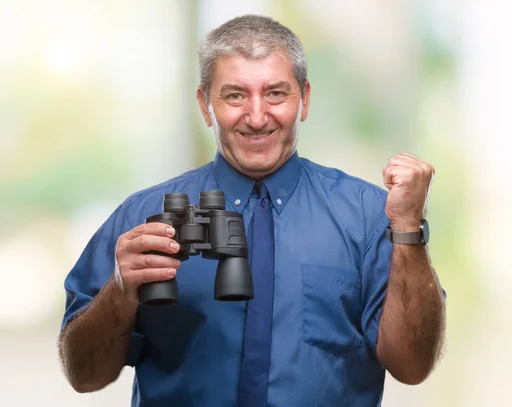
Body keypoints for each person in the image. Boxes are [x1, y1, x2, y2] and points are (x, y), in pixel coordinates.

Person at [58, 14, 446, 407]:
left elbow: (412, 367)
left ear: (305, 100)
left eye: (276, 93)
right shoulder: (142, 218)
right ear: (205, 104)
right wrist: (120, 292)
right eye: (235, 95)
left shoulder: (367, 216)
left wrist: (409, 228)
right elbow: (84, 376)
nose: (257, 117)